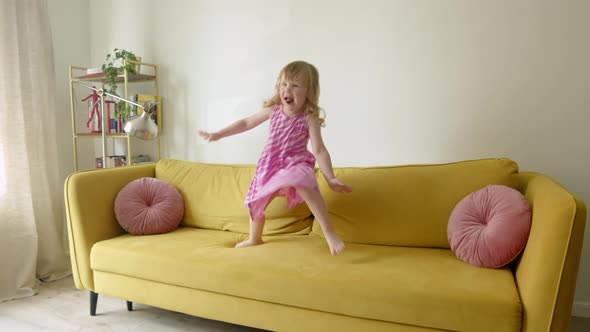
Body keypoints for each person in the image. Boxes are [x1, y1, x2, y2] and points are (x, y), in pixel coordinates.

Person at [198, 61, 352, 255]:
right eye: (284, 84)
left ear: (308, 91)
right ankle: (254, 238)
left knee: (303, 183)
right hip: (270, 164)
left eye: (295, 85)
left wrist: (330, 178)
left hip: (295, 162)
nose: (287, 89)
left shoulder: (309, 117)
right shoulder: (274, 110)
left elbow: (319, 150)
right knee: (255, 203)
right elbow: (246, 122)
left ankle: (329, 232)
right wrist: (219, 134)